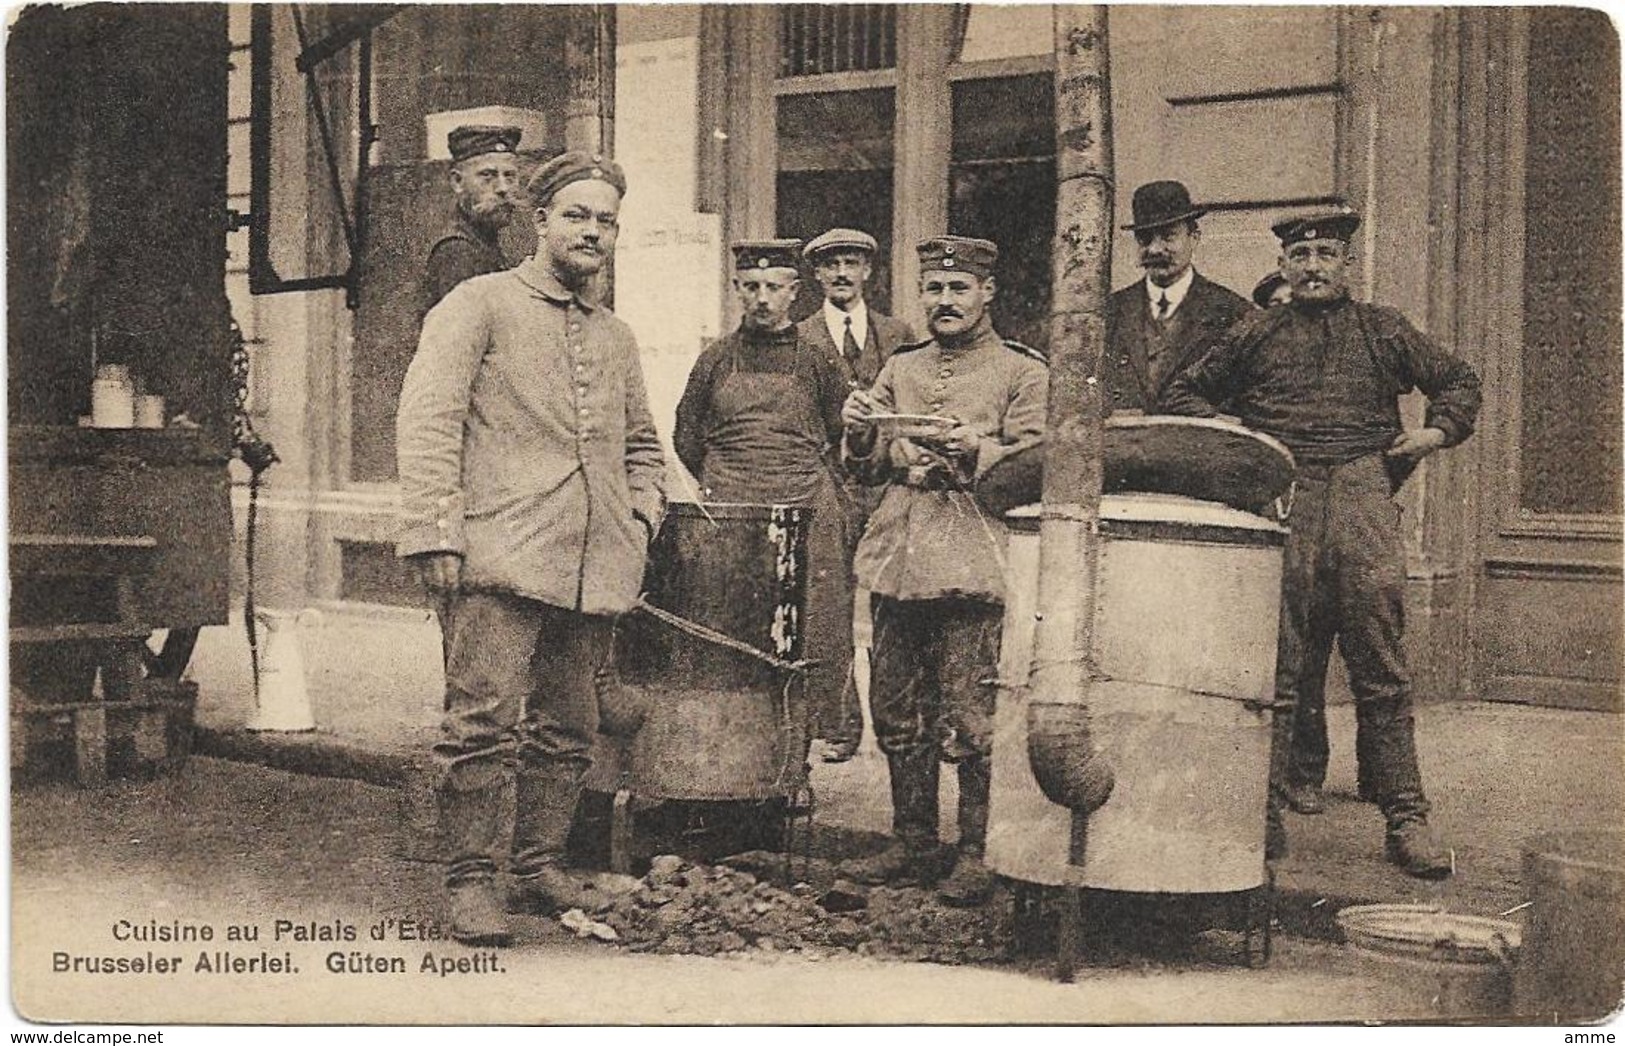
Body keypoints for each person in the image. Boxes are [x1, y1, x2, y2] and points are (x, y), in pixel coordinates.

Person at [396, 151, 666, 944]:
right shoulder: (477, 304)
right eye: (576, 215)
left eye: (605, 220)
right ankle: (472, 882)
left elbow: (643, 443)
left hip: (593, 565)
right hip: (500, 556)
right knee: (480, 725)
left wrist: (639, 514)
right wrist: (436, 532)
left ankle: (536, 866)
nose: (592, 231)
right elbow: (429, 420)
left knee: (568, 729)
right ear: (541, 221)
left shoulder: (615, 336)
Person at [1163, 210, 1481, 879]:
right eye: (1300, 254)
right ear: (1282, 265)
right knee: (1273, 663)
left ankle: (1405, 818)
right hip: (1284, 497)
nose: (1312, 266)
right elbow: (1184, 392)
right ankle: (1259, 814)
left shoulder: (1382, 328)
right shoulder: (1256, 331)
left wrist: (1435, 432)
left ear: (1345, 264)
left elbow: (1455, 380)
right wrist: (1245, 453)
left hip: (1363, 495)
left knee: (1381, 661)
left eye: (1325, 254)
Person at [838, 236, 1048, 906]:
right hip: (899, 556)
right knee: (896, 708)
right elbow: (863, 466)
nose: (944, 302)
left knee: (971, 714)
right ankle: (911, 840)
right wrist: (858, 429)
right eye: (933, 289)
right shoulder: (900, 366)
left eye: (958, 289)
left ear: (988, 292)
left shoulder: (1022, 373)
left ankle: (979, 849)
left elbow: (1038, 465)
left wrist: (976, 448)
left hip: (972, 557)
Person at [673, 240, 853, 755]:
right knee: (731, 627)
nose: (762, 298)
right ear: (737, 290)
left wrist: (808, 483)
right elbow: (687, 436)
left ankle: (805, 742)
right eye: (751, 287)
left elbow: (843, 439)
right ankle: (732, 749)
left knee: (812, 626)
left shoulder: (819, 361)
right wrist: (727, 481)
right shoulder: (714, 360)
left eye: (774, 287)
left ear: (795, 292)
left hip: (805, 508)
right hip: (730, 513)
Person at [795, 227, 917, 761]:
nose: (842, 274)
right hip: (829, 485)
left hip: (888, 482)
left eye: (852, 263)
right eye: (831, 266)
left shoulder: (900, 334)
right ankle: (839, 725)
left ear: (869, 271)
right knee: (828, 606)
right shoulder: (799, 338)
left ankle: (902, 725)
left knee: (893, 605)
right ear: (817, 276)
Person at [1102, 180, 1252, 414]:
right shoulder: (1110, 311)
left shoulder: (1233, 312)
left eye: (1168, 236)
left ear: (1194, 237)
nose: (1154, 249)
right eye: (1145, 238)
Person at [420, 124, 523, 318]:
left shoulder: (484, 242)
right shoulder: (458, 252)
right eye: (487, 175)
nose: (503, 188)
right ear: (457, 182)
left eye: (510, 176)